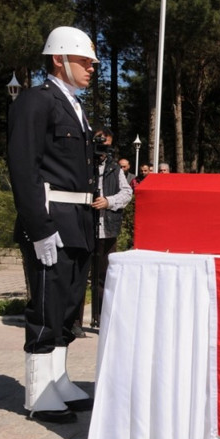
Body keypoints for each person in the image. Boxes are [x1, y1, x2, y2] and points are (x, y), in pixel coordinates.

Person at [7, 25, 99, 424]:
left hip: (78, 219)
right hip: (52, 219)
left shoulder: (75, 107)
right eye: (84, 60)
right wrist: (39, 227)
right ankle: (37, 393)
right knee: (46, 307)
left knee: (66, 308)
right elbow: (23, 169)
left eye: (94, 62)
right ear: (59, 59)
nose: (91, 68)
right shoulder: (35, 101)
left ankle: (58, 380)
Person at [85, 129, 132, 330]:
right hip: (85, 227)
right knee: (81, 275)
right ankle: (76, 322)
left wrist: (109, 202)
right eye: (99, 144)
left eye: (107, 145)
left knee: (105, 276)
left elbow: (127, 192)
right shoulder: (84, 165)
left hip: (108, 228)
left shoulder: (115, 167)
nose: (102, 149)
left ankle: (103, 318)